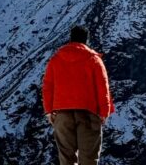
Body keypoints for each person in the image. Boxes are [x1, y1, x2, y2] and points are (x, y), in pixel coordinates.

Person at [42, 25, 114, 165]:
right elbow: (103, 87)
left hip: (62, 115)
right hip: (88, 113)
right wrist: (104, 112)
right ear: (86, 40)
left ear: (70, 38)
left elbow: (48, 87)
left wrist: (49, 111)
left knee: (66, 158)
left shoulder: (56, 59)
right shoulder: (94, 60)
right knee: (89, 158)